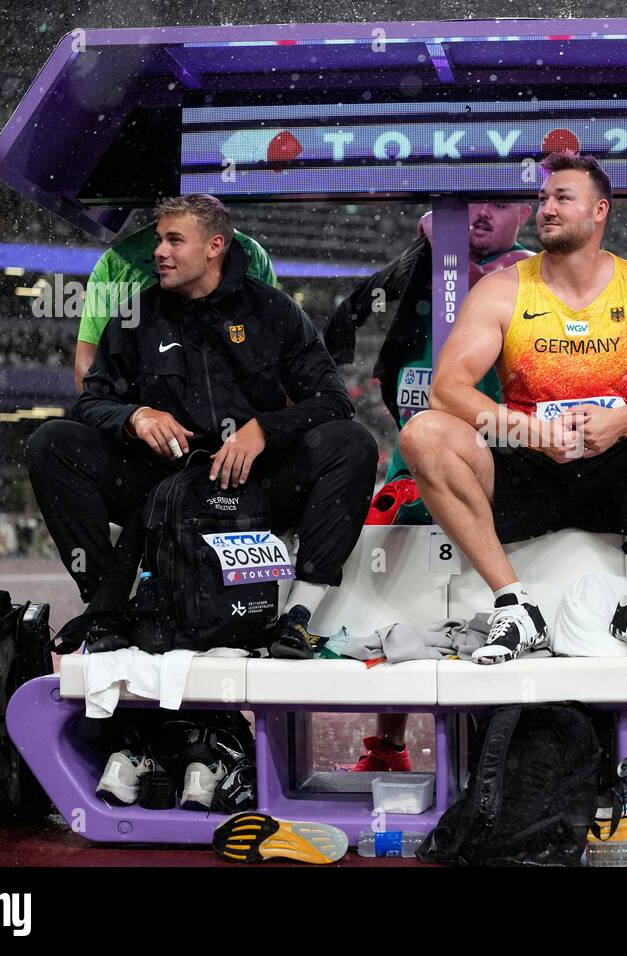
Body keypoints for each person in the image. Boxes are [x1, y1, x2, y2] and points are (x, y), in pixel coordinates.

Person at [400, 151, 627, 665]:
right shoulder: (502, 290)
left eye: (563, 198)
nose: (547, 208)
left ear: (600, 211)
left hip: (623, 465)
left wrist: (623, 421)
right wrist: (528, 431)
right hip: (528, 467)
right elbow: (447, 389)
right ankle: (514, 606)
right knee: (424, 433)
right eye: (543, 198)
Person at [29, 194, 377, 656]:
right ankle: (106, 609)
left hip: (258, 485)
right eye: (159, 240)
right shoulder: (137, 315)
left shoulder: (274, 311)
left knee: (351, 443)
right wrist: (134, 417)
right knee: (51, 442)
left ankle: (298, 618)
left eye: (175, 240)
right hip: (165, 489)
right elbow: (92, 401)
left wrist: (264, 430)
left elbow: (334, 401)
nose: (159, 252)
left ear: (214, 246)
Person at [324, 202, 534, 771]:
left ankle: (493, 752)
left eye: (496, 201)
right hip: (415, 460)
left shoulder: (530, 281)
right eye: (463, 205)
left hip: (504, 461)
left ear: (528, 210)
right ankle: (390, 744)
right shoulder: (422, 275)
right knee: (393, 593)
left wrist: (448, 253)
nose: (478, 213)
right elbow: (369, 334)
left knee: (490, 602)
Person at [75, 220, 279, 392]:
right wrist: (133, 418)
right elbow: (88, 371)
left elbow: (275, 352)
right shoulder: (115, 263)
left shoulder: (252, 255)